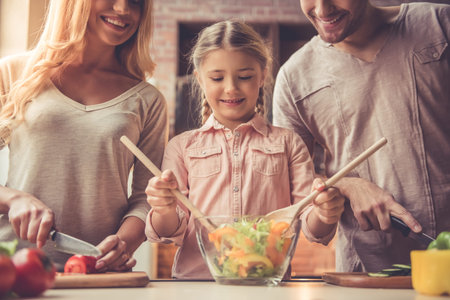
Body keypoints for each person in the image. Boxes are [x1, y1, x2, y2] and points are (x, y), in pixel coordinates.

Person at [144, 20, 345, 279]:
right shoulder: (181, 147)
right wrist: (164, 208)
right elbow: (168, 233)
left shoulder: (289, 144)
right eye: (217, 77)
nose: (231, 87)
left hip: (268, 284)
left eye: (245, 77)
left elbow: (312, 227)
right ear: (200, 80)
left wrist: (324, 212)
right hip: (196, 285)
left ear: (263, 75)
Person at [272, 0, 450, 272]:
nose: (321, 10)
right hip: (368, 274)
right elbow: (296, 189)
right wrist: (346, 184)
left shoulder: (440, 25)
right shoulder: (294, 77)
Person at [0, 0, 168, 272]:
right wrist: (13, 199)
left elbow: (146, 197)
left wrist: (123, 243)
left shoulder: (148, 100)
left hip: (97, 272)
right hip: (12, 268)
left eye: (136, 1)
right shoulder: (13, 73)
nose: (124, 9)